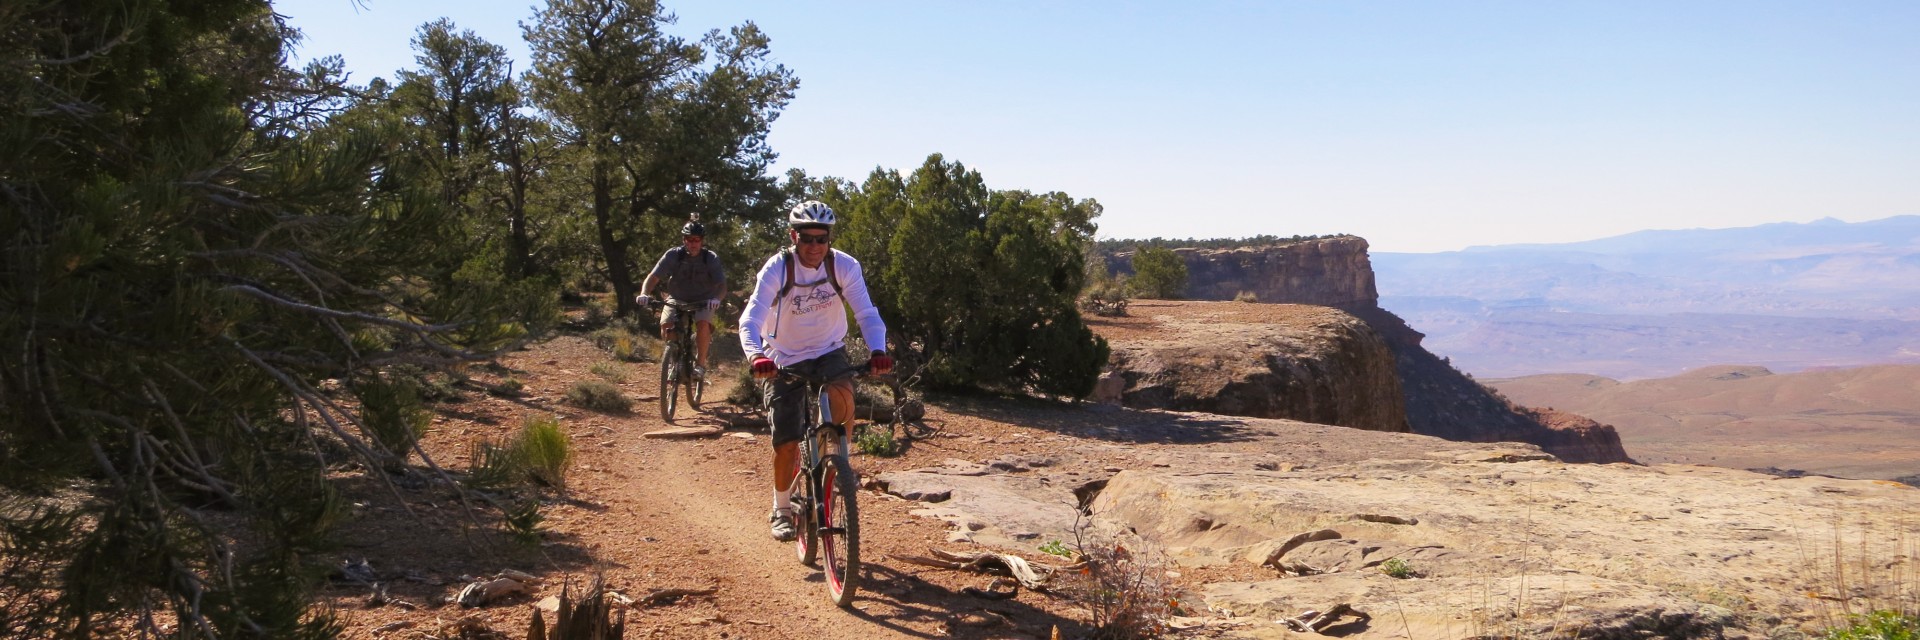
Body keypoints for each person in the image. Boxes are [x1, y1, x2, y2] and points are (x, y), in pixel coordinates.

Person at [738, 201, 893, 542]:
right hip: (783, 356)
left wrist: (878, 351)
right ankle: (781, 508)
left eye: (821, 239)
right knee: (787, 441)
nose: (814, 246)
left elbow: (866, 312)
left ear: (829, 239)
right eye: (806, 238)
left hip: (828, 349)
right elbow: (750, 318)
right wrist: (756, 356)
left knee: (844, 396)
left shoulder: (844, 266)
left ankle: (838, 464)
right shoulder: (778, 269)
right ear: (794, 237)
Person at [634, 220, 725, 379]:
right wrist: (644, 293)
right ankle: (674, 359)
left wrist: (716, 299)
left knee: (703, 325)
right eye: (689, 239)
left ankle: (700, 365)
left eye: (696, 240)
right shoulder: (673, 255)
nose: (693, 243)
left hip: (704, 300)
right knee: (666, 324)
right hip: (677, 298)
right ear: (684, 240)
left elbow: (722, 285)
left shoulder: (710, 258)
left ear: (702, 241)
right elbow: (653, 277)